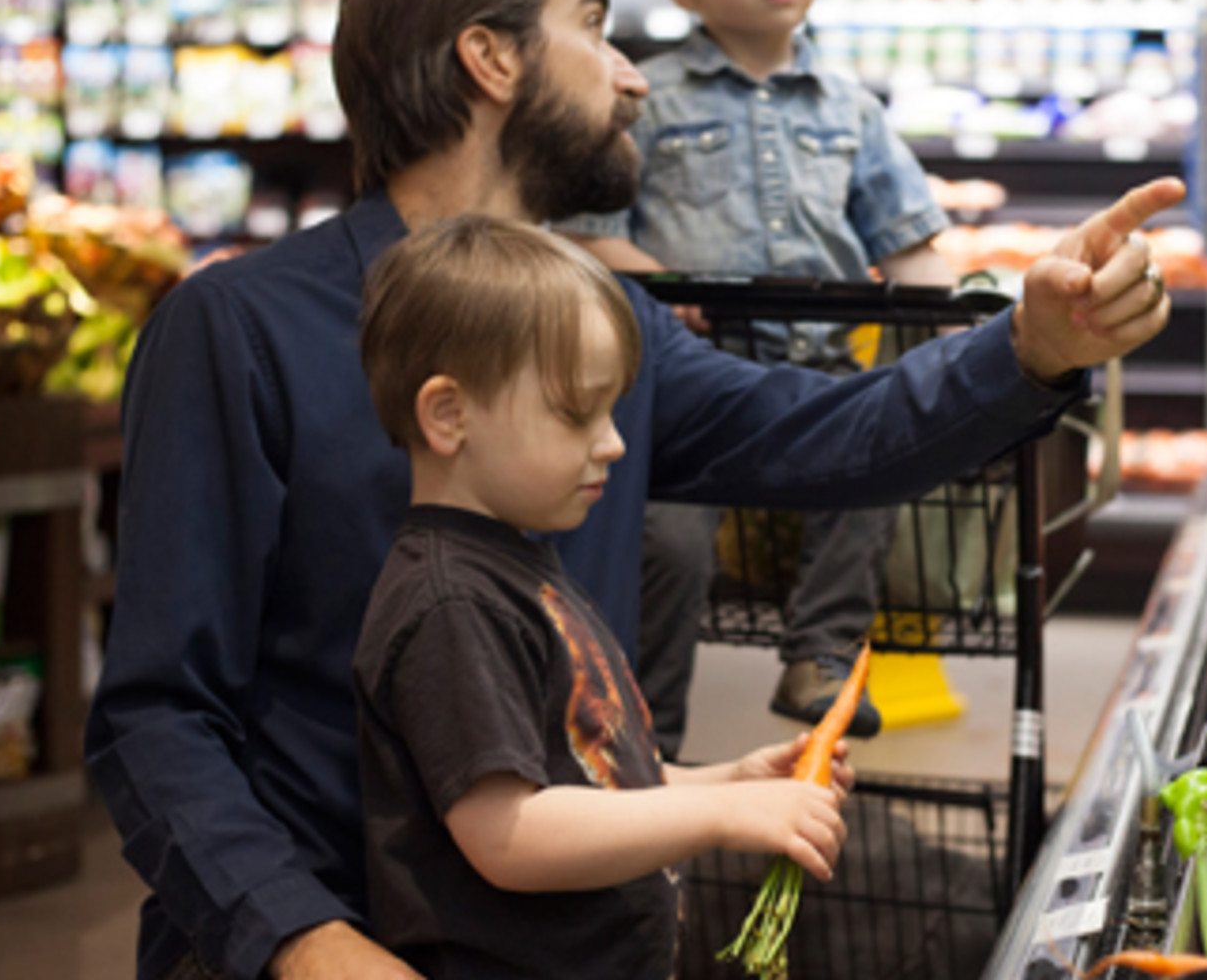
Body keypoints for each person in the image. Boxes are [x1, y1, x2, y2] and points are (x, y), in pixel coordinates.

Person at [86, 0, 1179, 980]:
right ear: (490, 59)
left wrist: (1029, 346)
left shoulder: (610, 335)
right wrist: (306, 945)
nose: (635, 77)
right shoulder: (237, 330)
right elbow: (159, 718)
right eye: (597, 28)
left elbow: (828, 436)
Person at [352, 214, 850, 978]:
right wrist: (716, 816)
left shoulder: (516, 568)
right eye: (576, 412)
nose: (614, 441)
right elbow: (509, 834)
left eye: (612, 410)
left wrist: (731, 780)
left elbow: (591, 775)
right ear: (450, 415)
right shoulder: (453, 604)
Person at [556, 0, 955, 750]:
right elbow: (585, 239)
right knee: (668, 540)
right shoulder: (645, 100)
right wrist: (660, 284)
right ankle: (646, 731)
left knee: (874, 468)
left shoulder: (853, 108)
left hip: (818, 368)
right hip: (685, 379)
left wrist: (960, 326)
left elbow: (914, 244)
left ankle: (819, 655)